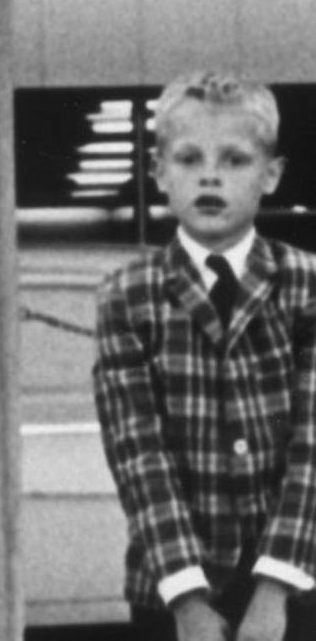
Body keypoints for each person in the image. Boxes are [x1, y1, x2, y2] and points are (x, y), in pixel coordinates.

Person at [94, 71, 316, 641]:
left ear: (271, 175)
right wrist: (188, 603)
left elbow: (312, 444)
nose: (210, 174)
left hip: (294, 582)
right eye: (190, 158)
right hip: (170, 592)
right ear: (159, 173)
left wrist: (274, 591)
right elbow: (139, 455)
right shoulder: (127, 295)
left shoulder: (306, 285)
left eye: (235, 160)